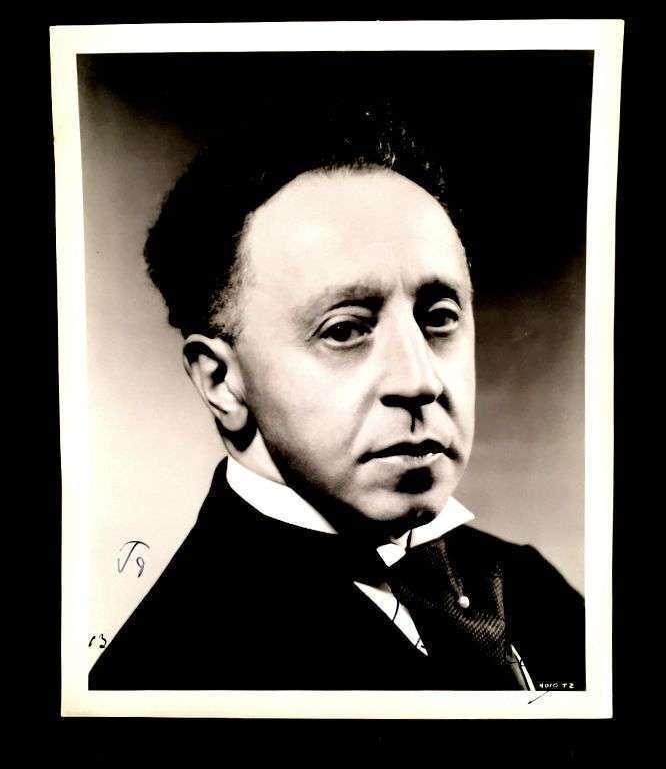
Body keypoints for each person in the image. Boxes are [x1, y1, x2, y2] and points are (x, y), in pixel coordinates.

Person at [89, 107, 585, 691]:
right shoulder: (165, 675)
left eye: (438, 318)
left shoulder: (532, 591)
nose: (420, 381)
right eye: (345, 330)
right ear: (221, 381)